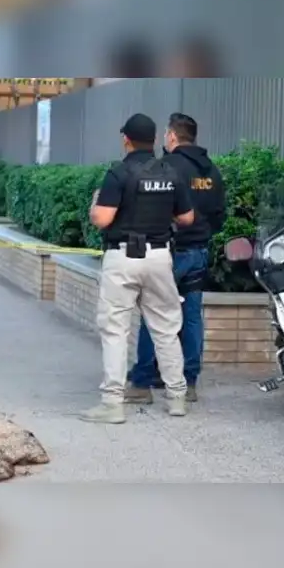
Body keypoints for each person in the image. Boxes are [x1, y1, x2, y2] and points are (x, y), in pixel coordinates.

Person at [80, 113, 196, 424]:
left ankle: (112, 404)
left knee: (116, 330)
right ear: (156, 140)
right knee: (167, 329)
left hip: (123, 258)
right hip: (160, 257)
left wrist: (94, 205)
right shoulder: (171, 173)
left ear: (126, 139)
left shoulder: (118, 173)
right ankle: (177, 398)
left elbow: (102, 219)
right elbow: (186, 219)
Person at [125, 113, 227, 404]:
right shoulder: (211, 171)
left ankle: (142, 381)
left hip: (170, 251)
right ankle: (189, 381)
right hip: (199, 250)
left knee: (153, 314)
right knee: (192, 317)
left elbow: (152, 208)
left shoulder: (166, 166)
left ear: (171, 137)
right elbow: (220, 214)